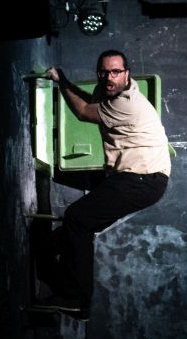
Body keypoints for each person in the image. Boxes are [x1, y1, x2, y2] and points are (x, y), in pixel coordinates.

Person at [38, 50, 171, 318]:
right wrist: (66, 83)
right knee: (78, 227)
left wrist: (61, 80)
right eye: (104, 72)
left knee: (78, 218)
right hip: (133, 177)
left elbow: (83, 111)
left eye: (116, 72)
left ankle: (76, 300)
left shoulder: (127, 103)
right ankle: (53, 254)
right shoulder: (108, 91)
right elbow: (89, 101)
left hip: (143, 179)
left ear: (127, 74)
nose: (109, 78)